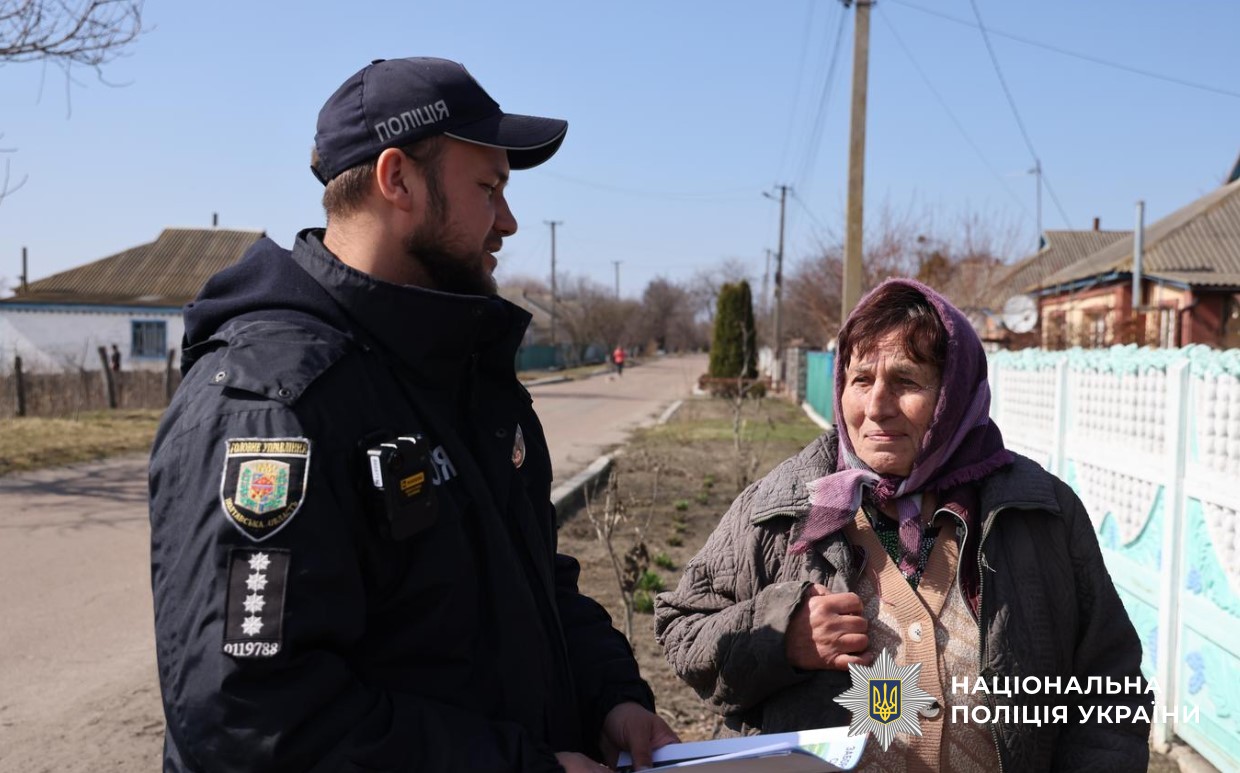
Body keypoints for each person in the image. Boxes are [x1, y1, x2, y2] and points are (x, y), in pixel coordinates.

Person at [148, 57, 677, 772]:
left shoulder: (461, 376)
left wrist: (613, 698)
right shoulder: (272, 405)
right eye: (488, 188)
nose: (509, 220)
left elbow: (531, 582)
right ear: (397, 179)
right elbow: (253, 716)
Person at [654, 279, 1151, 772]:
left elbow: (1110, 686)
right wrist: (779, 637)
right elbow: (683, 630)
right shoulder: (781, 505)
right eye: (861, 379)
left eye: (907, 381)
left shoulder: (1038, 511)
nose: (875, 407)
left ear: (955, 394)